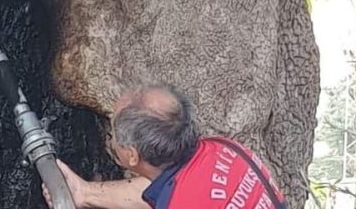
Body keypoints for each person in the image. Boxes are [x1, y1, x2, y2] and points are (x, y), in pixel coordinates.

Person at [43, 83, 286, 209]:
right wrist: (84, 193)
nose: (111, 136)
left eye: (113, 131)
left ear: (131, 155)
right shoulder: (224, 149)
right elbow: (171, 192)